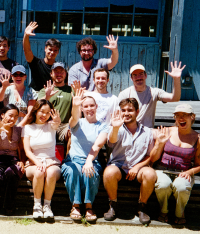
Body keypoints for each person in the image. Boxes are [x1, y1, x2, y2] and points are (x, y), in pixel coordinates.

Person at [103, 98, 157, 224]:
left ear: (137, 112)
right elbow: (111, 142)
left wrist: (137, 167)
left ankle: (142, 207)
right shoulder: (117, 128)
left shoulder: (147, 132)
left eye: (130, 110)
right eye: (123, 110)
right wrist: (115, 128)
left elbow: (150, 155)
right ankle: (113, 205)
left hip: (138, 170)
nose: (126, 113)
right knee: (109, 171)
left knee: (150, 173)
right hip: (119, 167)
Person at [61, 89, 109, 222]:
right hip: (73, 160)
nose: (89, 108)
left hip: (92, 161)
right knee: (73, 170)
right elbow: (74, 118)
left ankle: (88, 206)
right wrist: (75, 105)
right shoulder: (77, 124)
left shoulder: (103, 126)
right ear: (82, 108)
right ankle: (76, 205)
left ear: (96, 107)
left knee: (90, 171)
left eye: (91, 105)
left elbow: (98, 145)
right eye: (85, 106)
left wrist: (89, 161)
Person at [150, 104, 200, 225]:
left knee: (181, 187)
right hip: (162, 169)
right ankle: (164, 210)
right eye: (178, 115)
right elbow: (152, 158)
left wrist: (190, 172)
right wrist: (159, 144)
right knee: (163, 185)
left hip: (183, 172)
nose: (181, 118)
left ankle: (180, 212)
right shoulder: (166, 131)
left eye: (185, 115)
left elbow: (198, 164)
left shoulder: (197, 138)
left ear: (192, 117)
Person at [22, 99, 61, 219]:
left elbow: (56, 123)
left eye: (48, 112)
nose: (44, 115)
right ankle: (37, 205)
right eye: (42, 111)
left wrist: (57, 120)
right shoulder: (28, 127)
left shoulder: (51, 126)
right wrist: (38, 162)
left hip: (51, 161)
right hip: (33, 162)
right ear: (36, 111)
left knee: (51, 172)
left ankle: (47, 205)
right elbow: (27, 151)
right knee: (39, 171)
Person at [118, 62, 185, 128]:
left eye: (141, 74)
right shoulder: (124, 94)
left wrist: (176, 79)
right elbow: (119, 115)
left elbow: (175, 98)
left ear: (146, 75)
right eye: (135, 75)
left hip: (147, 132)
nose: (138, 77)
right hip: (128, 130)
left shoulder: (154, 92)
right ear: (131, 78)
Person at [0, 104, 25, 215]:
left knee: (12, 173)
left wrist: (22, 160)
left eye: (16, 116)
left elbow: (21, 149)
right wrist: (0, 127)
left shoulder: (18, 130)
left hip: (13, 160)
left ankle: (9, 205)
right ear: (2, 115)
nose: (13, 119)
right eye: (10, 115)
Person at [23, 21, 61, 91]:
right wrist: (26, 35)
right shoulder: (36, 63)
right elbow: (27, 51)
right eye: (50, 49)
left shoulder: (59, 68)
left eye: (55, 50)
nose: (52, 52)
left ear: (58, 52)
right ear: (45, 49)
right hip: (36, 96)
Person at [38, 62, 72, 142]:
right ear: (51, 74)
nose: (59, 74)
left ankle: (68, 155)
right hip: (47, 123)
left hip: (65, 125)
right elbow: (37, 106)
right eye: (56, 71)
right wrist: (47, 97)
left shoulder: (71, 90)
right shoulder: (44, 90)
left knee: (72, 133)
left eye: (61, 72)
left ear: (65, 74)